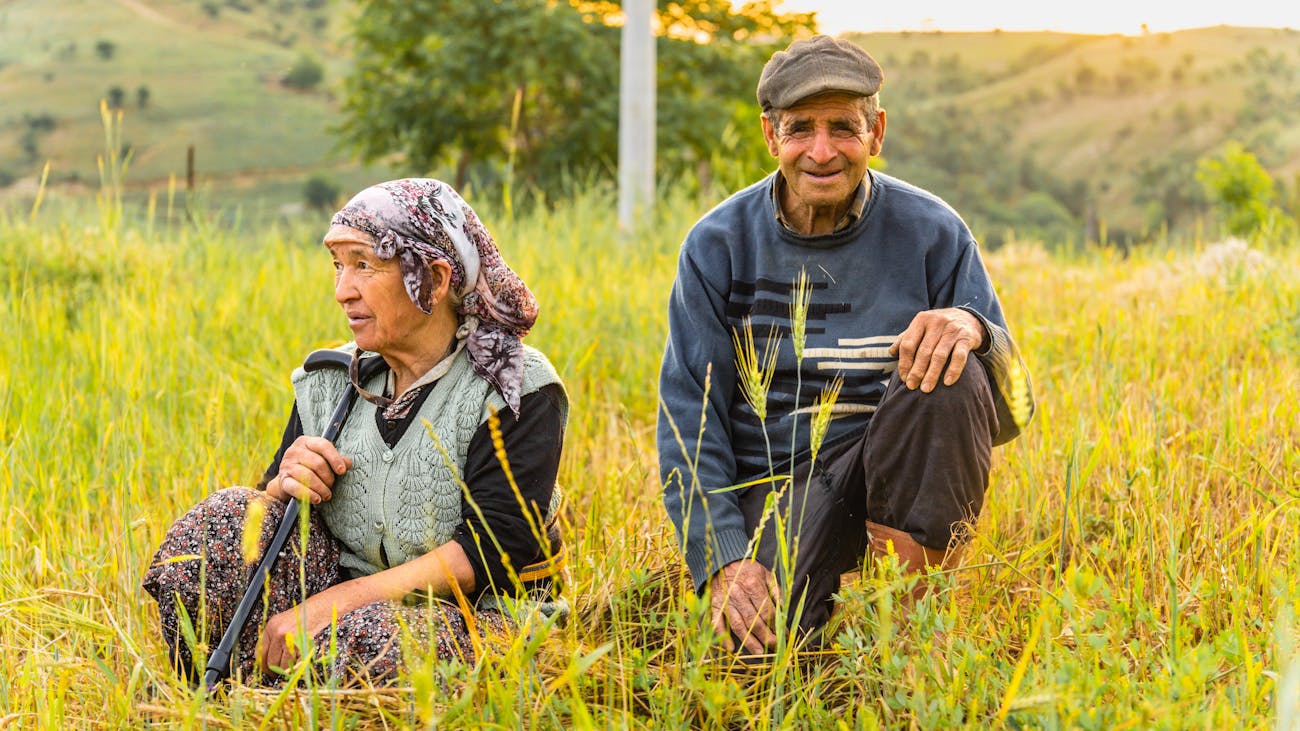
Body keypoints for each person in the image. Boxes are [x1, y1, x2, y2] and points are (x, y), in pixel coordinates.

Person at [656, 35, 1035, 656]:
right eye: (801, 128)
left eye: (844, 127)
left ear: (877, 131)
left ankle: (909, 634)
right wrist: (723, 560)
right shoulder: (716, 244)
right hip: (776, 491)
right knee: (765, 656)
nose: (823, 151)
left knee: (954, 367)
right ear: (769, 135)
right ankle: (816, 604)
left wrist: (979, 332)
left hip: (892, 479)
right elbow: (689, 420)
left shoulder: (933, 231)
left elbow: (1013, 411)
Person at [143, 178, 568, 686]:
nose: (342, 290)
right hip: (346, 600)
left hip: (477, 619)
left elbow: (495, 550)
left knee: (377, 641)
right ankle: (219, 694)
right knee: (222, 523)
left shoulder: (512, 386)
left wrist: (330, 607)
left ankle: (291, 693)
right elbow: (269, 512)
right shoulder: (329, 379)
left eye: (365, 265)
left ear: (432, 279)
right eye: (338, 265)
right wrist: (285, 483)